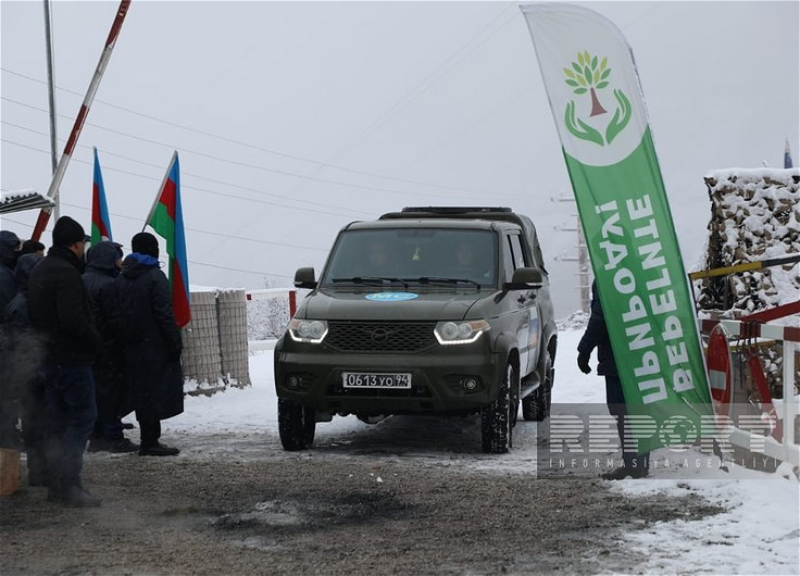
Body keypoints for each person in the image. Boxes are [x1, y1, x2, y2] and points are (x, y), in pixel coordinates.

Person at [27, 216, 102, 507]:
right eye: (82, 243)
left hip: (48, 357)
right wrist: (95, 341)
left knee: (56, 422)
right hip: (72, 359)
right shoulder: (67, 273)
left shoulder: (40, 269)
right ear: (76, 244)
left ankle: (55, 483)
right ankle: (69, 484)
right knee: (82, 418)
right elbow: (73, 319)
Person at [111, 232, 183, 456]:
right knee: (154, 392)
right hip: (154, 345)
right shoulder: (154, 277)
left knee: (141, 392)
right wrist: (174, 342)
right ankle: (150, 441)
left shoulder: (122, 277)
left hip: (130, 345)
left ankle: (148, 438)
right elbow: (164, 314)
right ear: (153, 250)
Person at [577, 280, 649, 480]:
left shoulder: (607, 276)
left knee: (623, 411)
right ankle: (640, 463)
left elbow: (599, 318)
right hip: (645, 353)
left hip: (618, 356)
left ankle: (633, 465)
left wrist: (584, 349)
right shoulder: (643, 269)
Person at [82, 241, 137, 453]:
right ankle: (113, 436)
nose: (121, 262)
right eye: (118, 258)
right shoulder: (109, 284)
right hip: (109, 347)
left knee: (94, 393)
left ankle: (96, 435)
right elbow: (116, 319)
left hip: (87, 346)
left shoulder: (81, 280)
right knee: (111, 394)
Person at [6, 253, 48, 485]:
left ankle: (39, 469)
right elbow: (28, 340)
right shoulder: (26, 303)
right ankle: (40, 470)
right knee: (37, 420)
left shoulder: (21, 299)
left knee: (34, 420)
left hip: (26, 368)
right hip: (33, 369)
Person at [0, 230, 22, 449]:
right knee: (5, 391)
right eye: (14, 248)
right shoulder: (4, 276)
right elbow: (8, 310)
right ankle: (6, 435)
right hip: (5, 341)